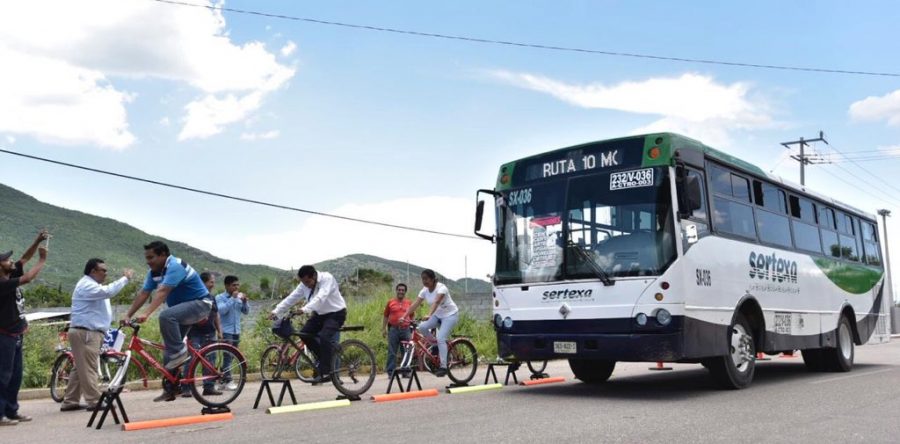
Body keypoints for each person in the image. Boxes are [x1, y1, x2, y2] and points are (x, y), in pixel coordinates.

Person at [122, 241, 213, 402]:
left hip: (201, 304)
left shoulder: (175, 266)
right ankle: (171, 388)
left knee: (165, 317)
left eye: (151, 257)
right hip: (182, 311)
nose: (148, 261)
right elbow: (144, 293)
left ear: (163, 255)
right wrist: (128, 314)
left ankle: (180, 352)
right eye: (146, 258)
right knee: (169, 353)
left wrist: (147, 313)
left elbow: (163, 291)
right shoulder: (154, 272)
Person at [61, 259, 133, 412]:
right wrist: (125, 278)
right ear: (93, 271)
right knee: (89, 367)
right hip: (87, 332)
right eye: (103, 270)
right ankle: (94, 400)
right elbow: (108, 291)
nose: (106, 273)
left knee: (80, 367)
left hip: (89, 332)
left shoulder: (92, 285)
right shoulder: (87, 285)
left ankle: (70, 400)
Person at [0, 230, 49, 426]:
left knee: (16, 375)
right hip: (4, 336)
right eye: (6, 260)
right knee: (3, 375)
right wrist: (42, 261)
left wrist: (37, 240)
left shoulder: (8, 276)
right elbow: (28, 277)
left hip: (16, 333)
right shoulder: (1, 284)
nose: (11, 261)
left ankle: (12, 411)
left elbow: (24, 259)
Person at [270, 265, 346, 383]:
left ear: (314, 276)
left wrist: (304, 309)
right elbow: (291, 298)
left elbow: (321, 298)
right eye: (303, 283)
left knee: (324, 337)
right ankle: (324, 359)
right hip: (319, 314)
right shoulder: (304, 284)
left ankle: (326, 370)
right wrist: (276, 311)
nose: (306, 285)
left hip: (336, 313)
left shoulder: (327, 279)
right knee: (304, 334)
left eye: (307, 282)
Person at [404, 269, 459, 377]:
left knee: (441, 338)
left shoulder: (442, 288)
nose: (424, 281)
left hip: (450, 315)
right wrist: (404, 316)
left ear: (433, 279)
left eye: (426, 279)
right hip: (438, 315)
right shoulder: (424, 290)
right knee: (422, 327)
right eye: (422, 279)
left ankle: (444, 366)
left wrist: (429, 314)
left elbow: (436, 302)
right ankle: (435, 346)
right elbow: (415, 303)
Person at [180, 272, 223, 397]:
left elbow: (216, 314)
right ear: (203, 282)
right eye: (211, 282)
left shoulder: (212, 297)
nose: (213, 284)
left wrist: (219, 330)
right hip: (195, 333)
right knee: (191, 360)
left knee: (210, 360)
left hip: (210, 333)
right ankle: (186, 387)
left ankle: (209, 387)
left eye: (213, 282)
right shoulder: (193, 296)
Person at [215, 275, 248, 391]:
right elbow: (221, 311)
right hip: (226, 331)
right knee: (227, 356)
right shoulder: (219, 297)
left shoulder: (239, 297)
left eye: (237, 285)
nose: (236, 287)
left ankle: (223, 380)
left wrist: (244, 302)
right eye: (234, 285)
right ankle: (228, 380)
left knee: (232, 356)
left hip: (236, 330)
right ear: (227, 286)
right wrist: (232, 299)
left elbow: (246, 312)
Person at [381, 283, 412, 378]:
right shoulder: (390, 302)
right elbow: (386, 316)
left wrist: (411, 327)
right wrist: (383, 329)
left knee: (406, 351)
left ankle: (405, 372)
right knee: (392, 351)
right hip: (393, 329)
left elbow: (412, 315)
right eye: (399, 289)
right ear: (396, 290)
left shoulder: (409, 303)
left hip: (406, 330)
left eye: (403, 290)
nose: (401, 291)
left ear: (405, 292)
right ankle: (391, 372)